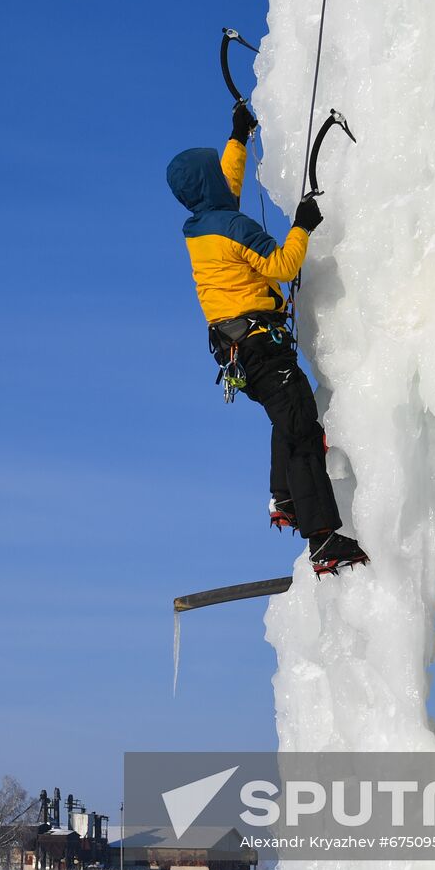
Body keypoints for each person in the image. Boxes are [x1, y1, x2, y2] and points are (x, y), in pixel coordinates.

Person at [166, 102, 368, 576]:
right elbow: (282, 266)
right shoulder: (234, 228)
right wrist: (303, 226)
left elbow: (225, 187)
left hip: (237, 352)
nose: (223, 172)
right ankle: (322, 538)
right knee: (302, 429)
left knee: (288, 417)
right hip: (260, 346)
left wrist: (237, 137)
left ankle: (285, 499)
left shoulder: (201, 226)